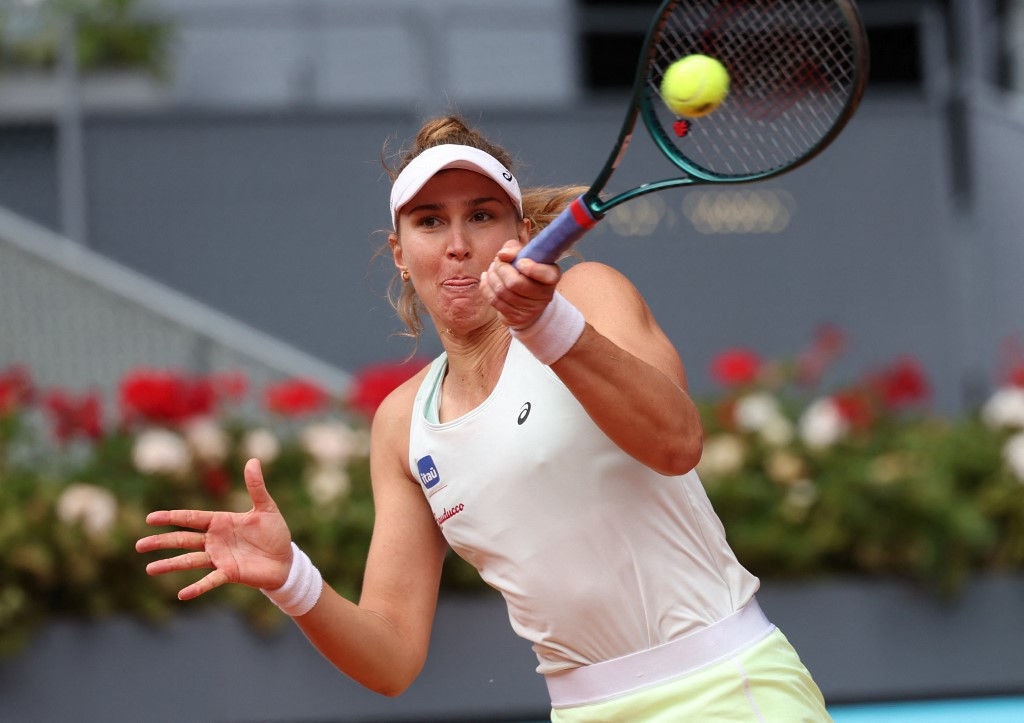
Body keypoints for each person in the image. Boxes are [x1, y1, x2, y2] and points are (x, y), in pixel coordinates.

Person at [136, 115, 831, 721]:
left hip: (729, 690)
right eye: (430, 221)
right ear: (400, 255)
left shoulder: (587, 295)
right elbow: (392, 658)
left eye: (481, 214)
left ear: (521, 232)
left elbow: (677, 441)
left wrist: (550, 326)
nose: (458, 242)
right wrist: (293, 578)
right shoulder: (402, 423)